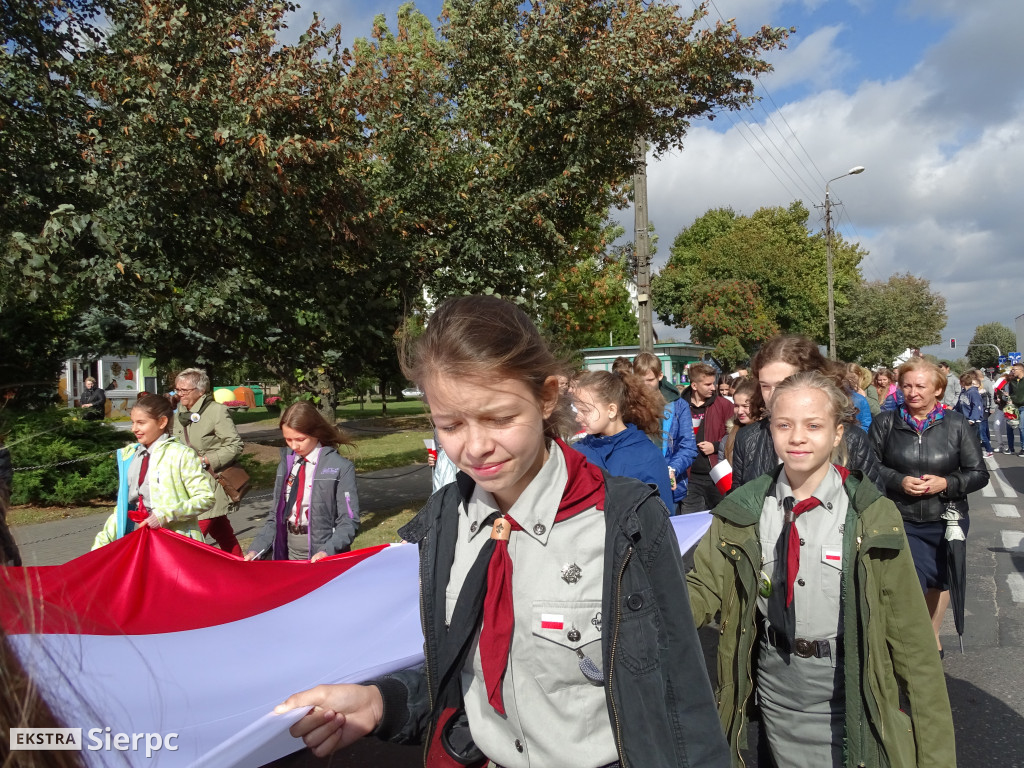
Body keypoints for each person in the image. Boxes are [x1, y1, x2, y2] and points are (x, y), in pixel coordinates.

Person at [277, 295, 729, 767]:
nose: (475, 448)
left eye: (499, 418)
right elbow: (464, 672)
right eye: (449, 424)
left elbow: (681, 699)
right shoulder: (445, 520)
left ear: (548, 396)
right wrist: (382, 702)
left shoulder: (626, 520)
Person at [687, 371, 956, 768]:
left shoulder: (871, 516)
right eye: (784, 425)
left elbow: (913, 645)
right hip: (776, 691)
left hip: (852, 692)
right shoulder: (743, 511)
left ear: (837, 433)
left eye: (813, 425)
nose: (797, 437)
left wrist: (936, 758)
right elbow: (699, 591)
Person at [868, 357, 989, 653]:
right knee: (908, 585)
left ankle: (931, 636)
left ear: (937, 389)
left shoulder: (957, 424)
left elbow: (978, 474)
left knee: (940, 581)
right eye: (906, 385)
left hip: (947, 518)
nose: (912, 392)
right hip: (901, 517)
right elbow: (869, 467)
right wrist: (898, 481)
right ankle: (911, 642)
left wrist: (946, 483)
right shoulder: (886, 423)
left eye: (920, 386)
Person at [732, 335, 884, 491]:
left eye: (782, 384)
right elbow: (736, 505)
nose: (772, 396)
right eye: (765, 386)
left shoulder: (852, 439)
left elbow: (873, 506)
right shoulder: (747, 438)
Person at [92, 394, 214, 548]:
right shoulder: (130, 455)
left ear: (162, 422)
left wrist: (164, 516)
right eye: (133, 423)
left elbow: (205, 498)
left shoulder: (181, 454)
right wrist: (100, 546)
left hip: (177, 545)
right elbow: (123, 508)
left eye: (141, 423)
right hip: (143, 540)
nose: (134, 429)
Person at [245, 402, 359, 561]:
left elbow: (348, 521)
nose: (294, 446)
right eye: (288, 439)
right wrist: (256, 549)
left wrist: (327, 551)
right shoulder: (286, 464)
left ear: (316, 433)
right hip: (290, 549)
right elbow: (275, 517)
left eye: (300, 439)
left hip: (323, 552)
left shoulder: (340, 467)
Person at [572, 369, 674, 510]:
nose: (578, 417)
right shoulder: (577, 453)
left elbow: (663, 516)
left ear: (611, 410)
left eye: (585, 410)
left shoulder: (647, 455)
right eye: (577, 410)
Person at [172, 368, 244, 555]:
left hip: (209, 485)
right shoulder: (179, 413)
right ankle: (244, 573)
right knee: (223, 534)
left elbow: (235, 445)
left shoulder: (216, 412)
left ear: (200, 390)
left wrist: (205, 460)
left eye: (184, 391)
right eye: (177, 390)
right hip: (186, 485)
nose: (179, 394)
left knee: (189, 543)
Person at [677, 362, 734, 514]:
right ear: (694, 385)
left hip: (717, 475)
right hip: (689, 477)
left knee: (719, 521)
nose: (713, 388)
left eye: (713, 383)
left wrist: (715, 446)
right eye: (708, 384)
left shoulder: (724, 405)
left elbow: (734, 436)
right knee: (690, 524)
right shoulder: (679, 406)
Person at [954, 371, 992, 457]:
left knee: (972, 441)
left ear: (963, 382)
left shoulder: (974, 393)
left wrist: (972, 419)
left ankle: (975, 457)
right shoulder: (963, 392)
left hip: (972, 422)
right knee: (963, 441)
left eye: (960, 381)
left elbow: (977, 406)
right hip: (963, 419)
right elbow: (958, 405)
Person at [721, 377, 756, 465]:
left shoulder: (768, 433)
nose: (740, 411)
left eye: (745, 406)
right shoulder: (730, 434)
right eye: (736, 406)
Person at [1006, 363, 1024, 456]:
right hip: (1014, 407)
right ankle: (1010, 448)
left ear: (1021, 370)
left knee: (1022, 427)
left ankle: (1023, 448)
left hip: (1023, 407)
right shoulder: (1012, 381)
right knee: (1009, 426)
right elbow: (1011, 393)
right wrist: (1010, 398)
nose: (1012, 371)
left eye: (1014, 369)